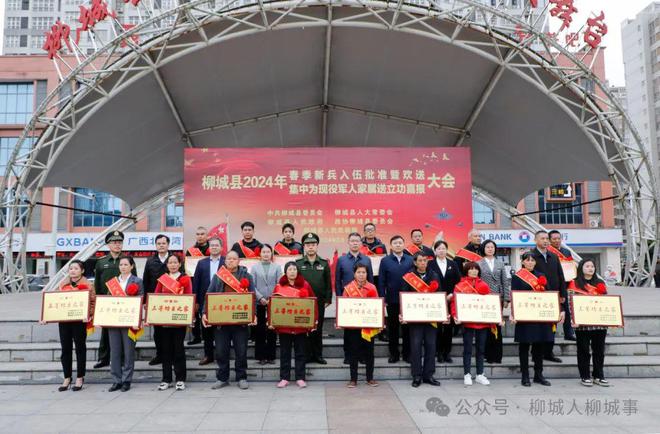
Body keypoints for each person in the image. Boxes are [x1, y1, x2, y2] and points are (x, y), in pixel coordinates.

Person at [203, 250, 256, 390]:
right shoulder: (219, 276)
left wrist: (254, 314)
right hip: (221, 321)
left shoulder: (247, 276)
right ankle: (222, 378)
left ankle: (242, 377)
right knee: (221, 351)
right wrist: (204, 312)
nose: (231, 261)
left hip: (240, 320)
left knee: (241, 351)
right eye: (228, 259)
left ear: (239, 261)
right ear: (225, 261)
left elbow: (252, 297)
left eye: (234, 259)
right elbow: (209, 294)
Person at [510, 252, 564, 387]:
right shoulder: (517, 277)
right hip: (525, 316)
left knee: (539, 347)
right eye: (527, 260)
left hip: (540, 316)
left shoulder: (541, 275)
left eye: (532, 260)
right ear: (522, 262)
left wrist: (557, 310)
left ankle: (538, 375)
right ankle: (525, 375)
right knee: (524, 346)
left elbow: (549, 294)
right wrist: (513, 314)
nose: (530, 262)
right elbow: (514, 296)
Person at [93, 230, 136, 369]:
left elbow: (134, 282)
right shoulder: (101, 262)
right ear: (108, 245)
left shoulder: (128, 261)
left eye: (120, 242)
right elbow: (97, 284)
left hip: (124, 302)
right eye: (114, 242)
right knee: (106, 331)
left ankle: (122, 358)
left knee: (123, 332)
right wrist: (98, 302)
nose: (117, 245)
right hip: (106, 302)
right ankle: (103, 358)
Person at [52, 260, 96, 392]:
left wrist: (89, 314)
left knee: (80, 348)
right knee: (65, 349)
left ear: (82, 271)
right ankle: (67, 377)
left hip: (79, 321)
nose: (73, 271)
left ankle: (80, 377)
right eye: (71, 268)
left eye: (76, 268)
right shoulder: (62, 284)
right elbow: (54, 301)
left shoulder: (88, 285)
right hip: (64, 321)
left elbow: (93, 302)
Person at [400, 253, 442, 387]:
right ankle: (417, 375)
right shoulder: (409, 276)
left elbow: (439, 294)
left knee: (431, 346)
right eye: (420, 260)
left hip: (431, 317)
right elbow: (404, 295)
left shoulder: (434, 275)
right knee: (416, 346)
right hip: (415, 318)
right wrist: (403, 314)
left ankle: (429, 375)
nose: (423, 262)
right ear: (415, 262)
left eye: (425, 260)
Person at [271, 261, 315, 388]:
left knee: (300, 353)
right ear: (285, 272)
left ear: (297, 271)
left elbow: (313, 302)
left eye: (294, 269)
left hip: (300, 326)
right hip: (285, 327)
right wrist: (272, 321)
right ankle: (284, 378)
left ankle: (300, 377)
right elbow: (273, 304)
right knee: (285, 353)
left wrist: (313, 321)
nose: (292, 272)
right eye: (289, 269)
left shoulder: (305, 285)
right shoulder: (279, 286)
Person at [152, 254, 192, 391]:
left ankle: (180, 378)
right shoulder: (163, 279)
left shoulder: (185, 279)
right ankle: (166, 379)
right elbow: (156, 297)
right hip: (164, 321)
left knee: (178, 349)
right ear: (167, 265)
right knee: (165, 350)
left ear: (180, 264)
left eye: (175, 262)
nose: (173, 265)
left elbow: (189, 298)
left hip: (179, 320)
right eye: (170, 262)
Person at [567, 259, 610, 387]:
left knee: (599, 351)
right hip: (582, 324)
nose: (590, 268)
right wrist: (574, 319)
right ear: (581, 268)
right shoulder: (574, 283)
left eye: (592, 266)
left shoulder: (600, 282)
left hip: (599, 323)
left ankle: (598, 375)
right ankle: (585, 376)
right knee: (584, 350)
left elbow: (606, 302)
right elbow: (570, 303)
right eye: (587, 266)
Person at [335, 232, 374, 364]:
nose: (355, 243)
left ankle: (362, 356)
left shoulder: (366, 260)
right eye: (352, 241)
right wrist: (340, 300)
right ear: (348, 242)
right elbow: (337, 281)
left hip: (364, 301)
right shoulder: (342, 260)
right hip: (348, 300)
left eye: (357, 241)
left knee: (363, 328)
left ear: (361, 243)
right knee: (349, 331)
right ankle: (349, 356)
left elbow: (371, 280)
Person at [451, 262, 492, 386]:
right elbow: (454, 302)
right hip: (468, 322)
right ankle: (467, 374)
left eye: (476, 269)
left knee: (481, 349)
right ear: (466, 271)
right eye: (471, 269)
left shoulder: (484, 285)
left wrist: (495, 317)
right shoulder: (460, 286)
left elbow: (490, 303)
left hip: (482, 322)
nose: (474, 271)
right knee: (467, 349)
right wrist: (455, 315)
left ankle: (480, 374)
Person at [107, 256, 143, 392]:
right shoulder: (113, 282)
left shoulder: (137, 281)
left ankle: (126, 380)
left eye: (126, 264)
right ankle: (116, 380)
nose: (123, 267)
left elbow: (141, 300)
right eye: (121, 264)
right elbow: (107, 300)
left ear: (132, 266)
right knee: (115, 352)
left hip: (129, 321)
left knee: (128, 352)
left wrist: (138, 320)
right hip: (114, 321)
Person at [531, 230, 567, 363]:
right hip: (538, 297)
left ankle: (548, 352)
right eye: (542, 238)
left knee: (552, 325)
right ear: (536, 240)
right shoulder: (531, 256)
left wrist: (563, 294)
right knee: (538, 326)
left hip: (554, 296)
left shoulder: (554, 256)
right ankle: (536, 354)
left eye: (547, 238)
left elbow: (561, 276)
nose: (545, 241)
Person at [297, 232, 332, 365]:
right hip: (303, 303)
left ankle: (318, 355)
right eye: (308, 245)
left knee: (318, 328)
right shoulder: (299, 264)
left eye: (313, 244)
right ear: (304, 247)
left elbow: (328, 283)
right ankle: (306, 355)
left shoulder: (324, 263)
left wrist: (328, 299)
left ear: (317, 246)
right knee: (305, 328)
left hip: (319, 302)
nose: (310, 247)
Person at [378, 235, 414, 363]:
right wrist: (382, 298)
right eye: (395, 243)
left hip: (408, 300)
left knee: (407, 329)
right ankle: (394, 354)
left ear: (404, 244)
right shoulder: (385, 261)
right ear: (391, 245)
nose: (398, 245)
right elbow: (381, 281)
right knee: (393, 329)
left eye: (400, 243)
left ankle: (407, 354)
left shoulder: (411, 260)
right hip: (392, 299)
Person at [343, 263, 380, 388]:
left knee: (369, 353)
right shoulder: (348, 288)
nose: (361, 275)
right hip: (353, 327)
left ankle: (370, 378)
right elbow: (344, 307)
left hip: (368, 327)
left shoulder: (372, 288)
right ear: (354, 274)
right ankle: (353, 379)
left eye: (363, 272)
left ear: (367, 274)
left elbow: (377, 306)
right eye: (358, 272)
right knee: (353, 352)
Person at [191, 237, 225, 365]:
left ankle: (222, 355)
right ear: (209, 248)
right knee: (206, 330)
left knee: (221, 330)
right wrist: (196, 301)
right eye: (212, 245)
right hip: (205, 301)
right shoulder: (202, 263)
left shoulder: (226, 262)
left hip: (222, 301)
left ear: (221, 247)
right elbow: (196, 283)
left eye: (216, 245)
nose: (214, 247)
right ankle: (208, 355)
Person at [428, 240, 460, 363]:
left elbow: (458, 281)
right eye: (439, 249)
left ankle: (447, 353)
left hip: (450, 299)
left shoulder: (453, 264)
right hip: (436, 301)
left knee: (448, 328)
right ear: (435, 251)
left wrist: (452, 294)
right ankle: (438, 352)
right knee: (437, 328)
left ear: (447, 250)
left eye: (443, 248)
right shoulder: (430, 264)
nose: (441, 251)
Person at [478, 240, 510, 364]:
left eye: (492, 247)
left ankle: (497, 356)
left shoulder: (500, 263)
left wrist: (506, 298)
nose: (490, 249)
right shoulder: (479, 263)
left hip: (498, 298)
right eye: (488, 247)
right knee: (486, 327)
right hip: (484, 299)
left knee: (497, 326)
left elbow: (505, 281)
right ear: (483, 249)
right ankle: (487, 355)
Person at [142, 234, 170, 366]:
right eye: (159, 243)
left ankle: (170, 355)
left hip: (172, 301)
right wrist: (145, 302)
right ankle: (160, 355)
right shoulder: (150, 261)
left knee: (170, 330)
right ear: (156, 245)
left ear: (168, 245)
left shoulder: (175, 259)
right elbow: (146, 281)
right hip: (155, 301)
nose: (161, 245)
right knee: (157, 331)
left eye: (164, 243)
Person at [251, 244, 282, 364]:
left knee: (271, 329)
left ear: (271, 253)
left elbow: (279, 285)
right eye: (263, 252)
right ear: (260, 254)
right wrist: (260, 298)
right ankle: (261, 357)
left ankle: (271, 356)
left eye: (268, 252)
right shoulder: (254, 268)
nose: (266, 254)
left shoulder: (277, 267)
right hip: (259, 303)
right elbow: (252, 285)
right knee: (260, 330)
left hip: (273, 303)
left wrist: (272, 298)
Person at [548, 230, 577, 341]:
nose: (557, 241)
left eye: (558, 238)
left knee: (567, 309)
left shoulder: (566, 251)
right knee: (553, 308)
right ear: (549, 240)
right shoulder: (547, 252)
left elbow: (571, 266)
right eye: (554, 239)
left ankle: (569, 333)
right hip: (552, 284)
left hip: (565, 283)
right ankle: (551, 334)